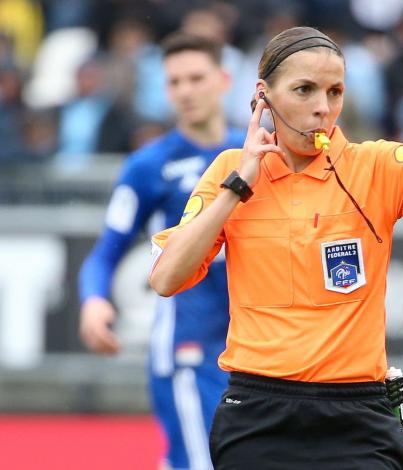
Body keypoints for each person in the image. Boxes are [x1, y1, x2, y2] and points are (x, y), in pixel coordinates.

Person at [149, 26, 403, 469]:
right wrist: (237, 187)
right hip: (257, 415)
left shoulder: (372, 166)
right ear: (263, 95)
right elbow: (166, 277)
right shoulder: (229, 170)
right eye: (304, 90)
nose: (323, 108)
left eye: (335, 91)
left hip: (358, 418)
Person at [78, 33, 245, 470]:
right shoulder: (149, 166)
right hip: (188, 349)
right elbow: (106, 251)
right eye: (174, 82)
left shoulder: (254, 153)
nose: (185, 91)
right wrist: (93, 300)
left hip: (255, 350)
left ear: (224, 79)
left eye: (196, 78)